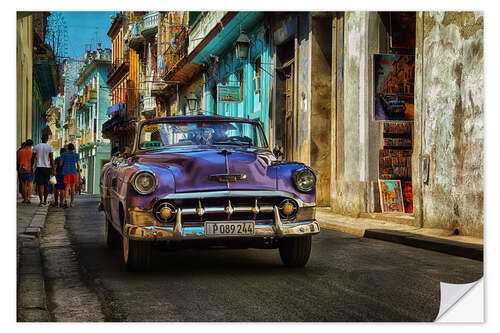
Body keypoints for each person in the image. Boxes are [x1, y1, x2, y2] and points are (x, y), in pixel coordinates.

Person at [32, 134, 55, 206]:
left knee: (40, 185)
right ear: (47, 139)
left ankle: (41, 201)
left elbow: (33, 158)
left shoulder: (36, 147)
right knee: (46, 185)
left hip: (39, 168)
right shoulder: (50, 147)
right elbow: (51, 159)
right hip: (47, 168)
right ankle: (45, 201)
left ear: (41, 139)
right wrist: (53, 168)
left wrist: (32, 166)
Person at [60, 143, 80, 208]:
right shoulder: (76, 155)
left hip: (66, 172)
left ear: (67, 149)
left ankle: (65, 199)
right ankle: (71, 202)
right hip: (73, 172)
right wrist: (79, 173)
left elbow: (60, 164)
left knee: (67, 186)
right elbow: (78, 165)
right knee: (73, 188)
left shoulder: (64, 154)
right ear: (73, 149)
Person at [17, 139, 34, 203]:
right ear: (31, 145)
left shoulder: (20, 151)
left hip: (22, 169)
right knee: (30, 184)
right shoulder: (32, 152)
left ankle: (25, 199)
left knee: (23, 184)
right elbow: (35, 160)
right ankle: (29, 198)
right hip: (30, 169)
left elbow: (18, 161)